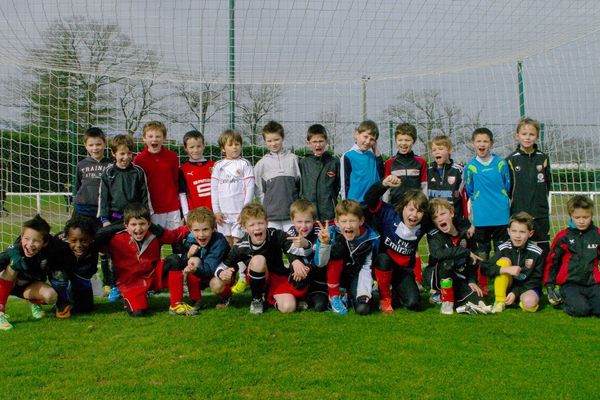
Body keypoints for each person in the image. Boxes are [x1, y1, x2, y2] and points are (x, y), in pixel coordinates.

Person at [213, 203, 305, 314]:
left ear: (266, 223)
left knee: (288, 308)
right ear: (244, 228)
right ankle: (256, 299)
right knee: (258, 260)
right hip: (256, 278)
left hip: (277, 278)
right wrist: (221, 273)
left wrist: (295, 261)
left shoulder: (276, 235)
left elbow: (290, 247)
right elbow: (222, 266)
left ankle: (269, 300)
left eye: (260, 223)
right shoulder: (241, 246)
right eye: (252, 225)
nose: (257, 227)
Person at [104, 203, 192, 317]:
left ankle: (176, 305)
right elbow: (96, 244)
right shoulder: (115, 239)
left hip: (153, 276)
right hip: (131, 283)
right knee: (138, 313)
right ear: (126, 225)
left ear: (149, 224)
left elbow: (174, 235)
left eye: (142, 224)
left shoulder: (155, 234)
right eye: (133, 224)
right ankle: (130, 299)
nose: (138, 228)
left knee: (174, 260)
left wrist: (193, 226)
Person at [365, 177, 429, 314]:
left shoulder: (425, 224)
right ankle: (384, 297)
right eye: (411, 209)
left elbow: (444, 216)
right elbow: (369, 199)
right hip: (382, 266)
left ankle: (396, 292)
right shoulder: (389, 214)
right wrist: (383, 184)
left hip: (403, 271)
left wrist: (465, 230)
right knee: (383, 258)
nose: (414, 215)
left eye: (419, 211)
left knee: (413, 303)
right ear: (403, 207)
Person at [98, 134, 149, 302]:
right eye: (121, 154)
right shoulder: (109, 172)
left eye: (128, 153)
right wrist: (104, 218)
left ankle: (141, 284)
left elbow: (144, 195)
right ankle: (113, 286)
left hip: (135, 221)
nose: (125, 157)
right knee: (112, 252)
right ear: (114, 154)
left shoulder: (138, 171)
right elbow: (103, 197)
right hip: (114, 220)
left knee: (136, 254)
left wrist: (146, 218)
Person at [464, 127, 511, 295]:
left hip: (501, 217)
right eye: (478, 141)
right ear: (473, 143)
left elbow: (507, 185)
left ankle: (502, 285)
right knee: (482, 253)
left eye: (485, 141)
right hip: (482, 219)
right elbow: (470, 190)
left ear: (491, 143)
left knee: (502, 253)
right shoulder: (470, 167)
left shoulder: (500, 163)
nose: (482, 144)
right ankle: (483, 286)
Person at [314, 199, 379, 315]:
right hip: (332, 277)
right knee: (338, 247)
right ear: (337, 222)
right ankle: (334, 296)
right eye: (344, 221)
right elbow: (320, 263)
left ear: (361, 221)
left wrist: (364, 291)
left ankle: (348, 295)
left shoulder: (370, 238)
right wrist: (324, 243)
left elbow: (366, 267)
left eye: (352, 221)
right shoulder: (329, 234)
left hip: (356, 276)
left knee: (363, 309)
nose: (348, 225)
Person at [211, 129, 255, 294]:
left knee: (239, 247)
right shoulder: (218, 166)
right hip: (223, 216)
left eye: (237, 144)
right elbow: (214, 190)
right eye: (231, 145)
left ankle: (243, 278)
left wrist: (244, 211)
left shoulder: (245, 164)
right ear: (223, 148)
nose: (235, 147)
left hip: (238, 215)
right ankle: (230, 278)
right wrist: (216, 211)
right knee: (228, 248)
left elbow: (249, 188)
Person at [427, 198, 489, 315]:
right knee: (447, 263)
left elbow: (473, 259)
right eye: (435, 217)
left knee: (479, 300)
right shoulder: (434, 235)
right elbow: (438, 254)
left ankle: (447, 298)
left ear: (451, 213)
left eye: (442, 213)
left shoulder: (465, 233)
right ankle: (447, 301)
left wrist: (471, 280)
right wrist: (464, 251)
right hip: (437, 275)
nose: (439, 218)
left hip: (458, 276)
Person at [163, 207, 231, 311]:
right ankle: (196, 300)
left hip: (221, 273)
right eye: (196, 230)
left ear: (213, 228)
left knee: (215, 285)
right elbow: (182, 263)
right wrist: (188, 255)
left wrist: (194, 270)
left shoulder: (219, 241)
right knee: (192, 261)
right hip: (202, 272)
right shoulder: (190, 238)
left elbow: (210, 269)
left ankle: (226, 296)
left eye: (205, 229)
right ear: (190, 230)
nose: (201, 234)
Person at [0, 215, 60, 331]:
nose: (30, 244)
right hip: (10, 283)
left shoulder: (51, 250)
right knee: (13, 266)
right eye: (26, 239)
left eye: (36, 241)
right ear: (21, 237)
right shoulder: (15, 250)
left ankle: (34, 303)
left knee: (51, 296)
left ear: (45, 242)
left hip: (28, 287)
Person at [72, 127, 112, 297]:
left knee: (104, 247)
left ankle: (109, 283)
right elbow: (77, 188)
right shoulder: (81, 165)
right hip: (82, 212)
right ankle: (81, 279)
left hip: (101, 213)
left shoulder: (110, 164)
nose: (95, 148)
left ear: (104, 144)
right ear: (85, 146)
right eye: (91, 145)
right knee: (81, 246)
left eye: (98, 144)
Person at [544, 195, 600, 317]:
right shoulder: (563, 236)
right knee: (582, 310)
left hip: (592, 283)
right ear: (570, 215)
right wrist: (549, 285)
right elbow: (552, 262)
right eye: (577, 217)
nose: (581, 221)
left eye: (586, 217)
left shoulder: (597, 234)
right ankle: (563, 298)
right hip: (570, 283)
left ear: (592, 216)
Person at [506, 118, 552, 259]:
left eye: (531, 134)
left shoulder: (543, 158)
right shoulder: (511, 159)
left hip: (540, 212)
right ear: (517, 136)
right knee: (520, 245)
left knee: (542, 245)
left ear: (537, 137)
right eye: (524, 134)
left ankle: (544, 277)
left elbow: (547, 184)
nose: (527, 137)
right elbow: (508, 187)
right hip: (519, 211)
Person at [482, 212, 544, 313]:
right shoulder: (503, 248)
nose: (517, 235)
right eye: (514, 231)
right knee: (504, 261)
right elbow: (485, 268)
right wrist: (505, 269)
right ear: (508, 231)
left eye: (522, 232)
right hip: (508, 286)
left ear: (530, 233)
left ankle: (519, 302)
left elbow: (536, 280)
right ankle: (500, 301)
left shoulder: (536, 252)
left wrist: (516, 292)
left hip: (527, 287)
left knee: (529, 303)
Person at [254, 121, 300, 232]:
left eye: (276, 139)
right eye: (269, 141)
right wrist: (267, 206)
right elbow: (259, 189)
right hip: (271, 217)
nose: (273, 144)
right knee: (273, 247)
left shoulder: (293, 159)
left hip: (291, 216)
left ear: (282, 138)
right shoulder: (262, 164)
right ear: (265, 141)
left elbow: (299, 184)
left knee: (293, 247)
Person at [134, 121, 181, 230]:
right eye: (150, 136)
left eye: (158, 136)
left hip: (172, 207)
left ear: (164, 138)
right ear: (144, 139)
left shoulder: (172, 156)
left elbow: (175, 180)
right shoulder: (139, 159)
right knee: (155, 241)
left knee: (177, 240)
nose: (154, 139)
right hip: (152, 209)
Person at [285, 199, 328, 312]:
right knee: (296, 274)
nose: (303, 226)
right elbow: (288, 251)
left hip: (317, 274)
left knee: (320, 306)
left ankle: (312, 297)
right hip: (300, 272)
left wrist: (308, 267)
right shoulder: (290, 232)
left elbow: (320, 258)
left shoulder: (320, 232)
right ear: (292, 220)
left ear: (314, 220)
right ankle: (299, 294)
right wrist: (296, 262)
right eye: (299, 222)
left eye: (307, 221)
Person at [298, 124, 340, 223]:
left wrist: (330, 199)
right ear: (308, 143)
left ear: (327, 141)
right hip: (308, 214)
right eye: (314, 142)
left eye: (321, 141)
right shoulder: (303, 163)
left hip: (329, 213)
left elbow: (337, 186)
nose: (318, 145)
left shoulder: (334, 162)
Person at [384, 123, 428, 207]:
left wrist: (424, 206)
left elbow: (424, 187)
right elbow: (387, 190)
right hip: (395, 207)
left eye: (407, 140)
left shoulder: (421, 162)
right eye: (400, 140)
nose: (403, 143)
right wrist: (386, 207)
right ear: (396, 140)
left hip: (415, 207)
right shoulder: (389, 163)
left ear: (414, 141)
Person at [340, 120, 384, 204]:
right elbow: (344, 184)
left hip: (374, 203)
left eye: (372, 139)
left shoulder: (373, 156)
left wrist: (377, 152)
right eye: (365, 136)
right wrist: (345, 205)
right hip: (356, 204)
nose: (368, 141)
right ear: (356, 134)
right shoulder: (348, 156)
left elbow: (381, 176)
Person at [427, 135, 467, 221]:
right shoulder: (428, 171)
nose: (437, 152)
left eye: (440, 149)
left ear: (450, 150)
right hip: (433, 218)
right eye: (434, 150)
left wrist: (465, 217)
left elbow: (465, 195)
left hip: (455, 218)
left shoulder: (459, 171)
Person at [178, 130, 215, 218]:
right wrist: (187, 216)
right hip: (195, 216)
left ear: (203, 146)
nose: (195, 150)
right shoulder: (182, 170)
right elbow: (182, 194)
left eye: (199, 146)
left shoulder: (214, 166)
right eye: (191, 147)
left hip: (215, 214)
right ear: (185, 148)